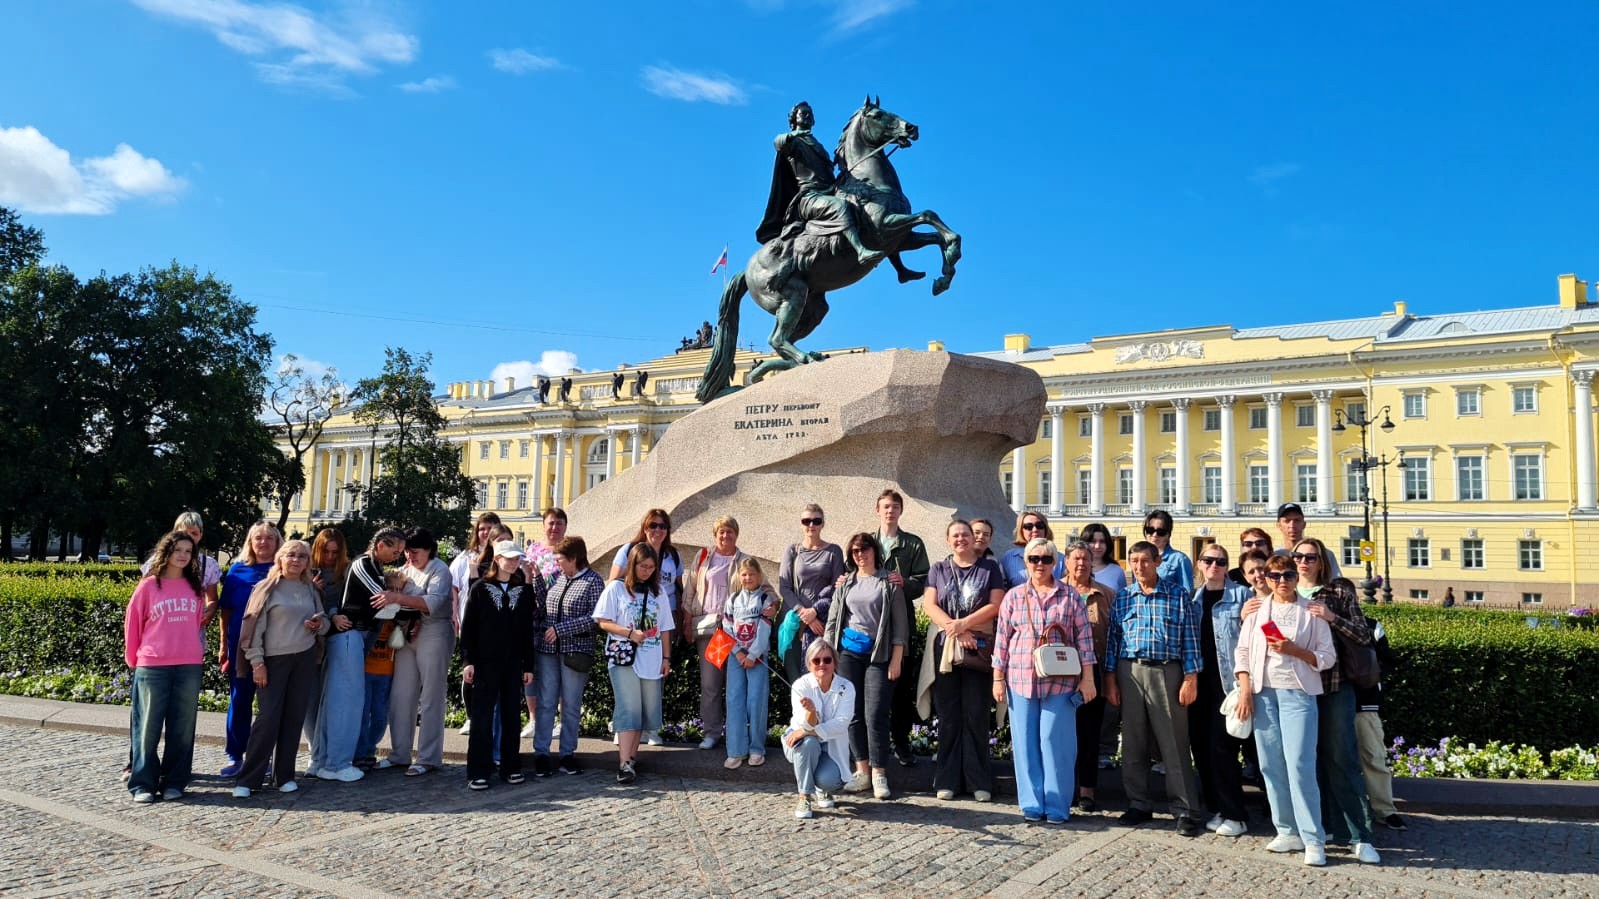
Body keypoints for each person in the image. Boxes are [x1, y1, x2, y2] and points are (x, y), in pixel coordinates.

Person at [1233, 553, 1337, 866]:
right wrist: (1246, 690)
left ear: (1296, 579)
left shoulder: (1311, 612)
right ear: (1264, 578)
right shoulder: (1256, 612)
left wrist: (1296, 651)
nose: (1281, 582)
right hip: (1264, 694)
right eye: (1274, 576)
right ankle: (1286, 829)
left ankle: (1313, 837)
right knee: (1271, 766)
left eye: (1288, 576)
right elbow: (1242, 652)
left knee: (1300, 765)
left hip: (1298, 694)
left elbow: (1327, 657)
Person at [992, 537, 1097, 823]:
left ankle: (1057, 804)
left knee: (1055, 741)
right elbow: (1002, 639)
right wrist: (997, 678)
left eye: (1046, 559)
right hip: (1020, 679)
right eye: (1034, 559)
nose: (1040, 564)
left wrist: (1088, 678)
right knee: (1025, 743)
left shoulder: (1070, 596)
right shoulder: (1013, 596)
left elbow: (1084, 640)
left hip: (1061, 680)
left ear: (1055, 562)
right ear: (1025, 562)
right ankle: (1031, 803)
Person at [1104, 540, 1205, 836]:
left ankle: (1185, 809)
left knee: (1174, 743)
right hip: (1130, 671)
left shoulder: (1177, 595)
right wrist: (1110, 678)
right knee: (1133, 743)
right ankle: (1138, 803)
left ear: (1157, 561)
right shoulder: (1124, 598)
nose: (1138, 567)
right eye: (1133, 561)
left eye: (1144, 561)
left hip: (1167, 672)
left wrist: (1190, 678)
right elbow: (1113, 641)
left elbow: (1190, 639)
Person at [1293, 537, 1381, 864]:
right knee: (1308, 760)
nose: (1303, 562)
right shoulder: (1284, 590)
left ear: (1322, 561)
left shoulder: (1339, 591)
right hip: (1297, 689)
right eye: (1298, 557)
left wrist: (1331, 617)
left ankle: (1360, 834)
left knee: (1342, 757)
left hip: (1334, 686)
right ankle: (1324, 827)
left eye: (1310, 557)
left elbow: (1362, 634)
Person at [233, 540, 328, 797]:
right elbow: (253, 629)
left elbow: (325, 622)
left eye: (302, 556)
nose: (296, 560)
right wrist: (257, 663)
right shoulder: (267, 588)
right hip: (273, 661)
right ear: (281, 558)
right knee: (268, 719)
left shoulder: (310, 589)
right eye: (291, 555)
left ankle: (284, 775)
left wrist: (319, 624)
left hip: (304, 659)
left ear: (308, 562)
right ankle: (248, 779)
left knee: (294, 717)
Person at [920, 520, 1005, 801]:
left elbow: (996, 604)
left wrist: (965, 626)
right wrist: (954, 629)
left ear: (973, 538)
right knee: (948, 717)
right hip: (947, 651)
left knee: (976, 715)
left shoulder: (989, 568)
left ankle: (979, 781)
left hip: (978, 649)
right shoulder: (939, 569)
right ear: (948, 540)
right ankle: (948, 780)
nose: (961, 539)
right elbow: (930, 604)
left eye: (966, 535)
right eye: (955, 535)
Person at [316, 528, 407, 783]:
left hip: (354, 637)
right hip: (350, 636)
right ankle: (336, 764)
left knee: (343, 700)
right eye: (394, 550)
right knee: (347, 702)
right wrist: (398, 599)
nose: (396, 556)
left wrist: (395, 600)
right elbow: (383, 602)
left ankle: (324, 760)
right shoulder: (364, 564)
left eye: (400, 552)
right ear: (379, 545)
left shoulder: (373, 566)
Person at [125, 530, 206, 803]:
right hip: (153, 664)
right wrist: (133, 659)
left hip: (188, 664)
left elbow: (195, 624)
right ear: (166, 552)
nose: (183, 556)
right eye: (178, 550)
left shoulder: (195, 587)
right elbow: (133, 623)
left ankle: (175, 781)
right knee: (147, 726)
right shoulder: (149, 586)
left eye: (188, 551)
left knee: (182, 728)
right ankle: (142, 783)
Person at [826, 532, 908, 800]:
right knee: (853, 712)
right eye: (855, 551)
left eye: (865, 549)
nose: (860, 554)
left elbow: (900, 627)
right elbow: (833, 621)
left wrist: (897, 658)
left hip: (879, 653)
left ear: (874, 551)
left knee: (876, 713)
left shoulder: (889, 583)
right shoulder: (845, 583)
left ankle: (879, 773)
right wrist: (828, 657)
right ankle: (861, 771)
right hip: (849, 653)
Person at [758, 100, 884, 265]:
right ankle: (860, 251)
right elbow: (778, 142)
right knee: (840, 207)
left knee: (863, 206)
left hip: (828, 191)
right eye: (803, 113)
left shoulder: (817, 145)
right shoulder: (794, 142)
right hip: (809, 197)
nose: (808, 116)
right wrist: (794, 134)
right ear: (794, 119)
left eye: (810, 114)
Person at [594, 543, 674, 784]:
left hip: (651, 657)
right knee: (628, 708)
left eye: (651, 567)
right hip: (624, 657)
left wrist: (667, 658)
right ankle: (624, 763)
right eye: (643, 567)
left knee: (643, 711)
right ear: (633, 564)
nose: (647, 571)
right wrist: (629, 633)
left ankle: (631, 758)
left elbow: (667, 628)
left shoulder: (658, 592)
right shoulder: (616, 588)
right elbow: (603, 621)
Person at [460, 540, 537, 790]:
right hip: (485, 663)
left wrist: (528, 665)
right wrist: (468, 661)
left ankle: (510, 765)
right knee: (482, 717)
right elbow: (469, 627)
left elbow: (527, 630)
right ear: (497, 559)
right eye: (509, 558)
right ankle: (478, 770)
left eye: (517, 558)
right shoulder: (481, 588)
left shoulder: (523, 591)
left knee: (511, 716)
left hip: (512, 663)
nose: (513, 562)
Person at [1190, 543, 1252, 837]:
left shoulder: (1241, 596)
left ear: (1228, 566)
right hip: (1198, 684)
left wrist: (1245, 686)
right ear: (1199, 564)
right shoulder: (1193, 598)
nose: (1214, 565)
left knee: (1223, 750)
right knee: (1201, 749)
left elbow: (1250, 642)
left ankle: (1235, 814)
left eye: (1220, 561)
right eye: (1208, 560)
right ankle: (1217, 807)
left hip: (1228, 685)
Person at [606, 508, 681, 746]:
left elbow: (679, 586)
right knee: (626, 679)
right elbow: (614, 581)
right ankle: (624, 726)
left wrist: (681, 618)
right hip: (628, 624)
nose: (657, 530)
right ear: (644, 527)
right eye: (653, 525)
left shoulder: (672, 556)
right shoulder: (629, 550)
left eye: (662, 526)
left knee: (653, 676)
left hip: (660, 622)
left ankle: (650, 728)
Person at [386, 527, 456, 776]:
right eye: (406, 551)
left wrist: (396, 599)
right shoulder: (404, 570)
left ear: (429, 550)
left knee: (431, 697)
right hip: (408, 633)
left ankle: (428, 757)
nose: (410, 556)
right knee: (401, 695)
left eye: (415, 551)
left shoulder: (440, 569)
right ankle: (399, 753)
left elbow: (432, 603)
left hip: (434, 631)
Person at [532, 536, 604, 777]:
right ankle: (541, 753)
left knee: (571, 705)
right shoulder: (558, 577)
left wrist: (562, 630)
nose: (557, 563)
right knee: (546, 703)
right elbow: (543, 605)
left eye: (561, 559)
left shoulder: (593, 581)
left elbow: (596, 618)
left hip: (575, 652)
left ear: (574, 559)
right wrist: (535, 578)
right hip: (548, 651)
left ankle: (567, 754)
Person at [216, 520, 282, 777]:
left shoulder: (283, 570)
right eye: (258, 538)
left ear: (277, 542)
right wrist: (223, 645)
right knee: (239, 700)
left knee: (269, 706)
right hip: (240, 645)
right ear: (250, 542)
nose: (263, 543)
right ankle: (236, 755)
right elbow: (226, 610)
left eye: (269, 538)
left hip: (274, 646)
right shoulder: (237, 570)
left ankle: (263, 757)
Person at [680, 516, 750, 751]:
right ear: (715, 534)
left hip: (736, 631)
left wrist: (769, 605)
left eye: (730, 531)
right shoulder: (703, 558)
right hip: (711, 630)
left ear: (736, 534)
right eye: (721, 532)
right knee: (710, 683)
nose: (725, 536)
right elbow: (689, 591)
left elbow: (763, 588)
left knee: (735, 685)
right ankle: (711, 732)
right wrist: (687, 621)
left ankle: (735, 733)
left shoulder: (744, 561)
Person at [872, 489, 929, 768]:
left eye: (894, 507)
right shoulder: (867, 543)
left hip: (900, 624)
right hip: (871, 626)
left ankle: (902, 744)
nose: (889, 511)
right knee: (872, 690)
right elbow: (851, 572)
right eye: (885, 507)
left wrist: (905, 582)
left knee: (901, 690)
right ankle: (874, 746)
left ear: (900, 511)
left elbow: (924, 581)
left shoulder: (913, 544)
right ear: (877, 511)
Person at [1059, 539, 1113, 812]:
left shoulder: (1105, 594)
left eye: (1085, 558)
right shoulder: (1055, 591)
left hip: (1094, 673)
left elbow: (1114, 637)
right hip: (1060, 675)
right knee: (1062, 734)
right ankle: (1064, 787)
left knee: (1089, 734)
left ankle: (1087, 790)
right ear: (1066, 562)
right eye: (1075, 558)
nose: (1081, 563)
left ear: (1092, 562)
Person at [784, 639, 856, 820]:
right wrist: (811, 712)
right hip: (800, 742)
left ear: (835, 662)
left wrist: (808, 730)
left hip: (830, 746)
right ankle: (804, 796)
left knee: (829, 781)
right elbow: (802, 726)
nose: (822, 664)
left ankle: (822, 789)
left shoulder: (846, 687)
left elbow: (842, 722)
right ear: (809, 664)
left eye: (827, 660)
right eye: (816, 661)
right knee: (808, 744)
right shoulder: (801, 686)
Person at [776, 503, 845, 682]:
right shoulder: (793, 551)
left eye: (816, 521)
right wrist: (804, 613)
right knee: (796, 682)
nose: (811, 525)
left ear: (823, 524)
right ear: (801, 524)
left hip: (821, 625)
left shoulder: (833, 551)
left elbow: (837, 589)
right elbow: (784, 587)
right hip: (793, 624)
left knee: (821, 680)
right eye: (807, 521)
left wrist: (815, 613)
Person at [450, 512, 502, 737]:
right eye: (482, 528)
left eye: (491, 528)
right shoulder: (465, 557)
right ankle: (470, 716)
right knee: (469, 671)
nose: (486, 532)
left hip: (494, 628)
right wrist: (454, 615)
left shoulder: (501, 558)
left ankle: (487, 719)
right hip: (468, 622)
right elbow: (454, 588)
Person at [723, 558, 777, 769]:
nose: (747, 578)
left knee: (756, 702)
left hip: (758, 657)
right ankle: (735, 750)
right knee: (734, 700)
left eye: (751, 574)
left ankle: (756, 749)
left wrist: (753, 654)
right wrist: (737, 653)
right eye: (744, 574)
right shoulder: (733, 598)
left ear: (759, 576)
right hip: (736, 656)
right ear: (739, 576)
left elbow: (764, 629)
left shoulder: (764, 599)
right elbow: (726, 627)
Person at [304, 528, 349, 776]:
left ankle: (327, 750)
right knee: (311, 699)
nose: (330, 557)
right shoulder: (305, 569)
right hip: (310, 641)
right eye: (326, 551)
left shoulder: (346, 571)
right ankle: (315, 751)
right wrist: (311, 588)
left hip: (336, 639)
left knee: (331, 699)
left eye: (335, 552)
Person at [520, 507, 567, 737]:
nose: (554, 527)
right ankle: (533, 718)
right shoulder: (534, 550)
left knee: (559, 671)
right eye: (551, 523)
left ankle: (560, 719)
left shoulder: (569, 550)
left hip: (561, 618)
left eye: (559, 523)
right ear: (543, 525)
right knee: (532, 669)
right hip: (536, 617)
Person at [1355, 621, 1407, 831]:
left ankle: (1384, 810)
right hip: (1328, 700)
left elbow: (1388, 661)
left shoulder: (1370, 625)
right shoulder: (1320, 620)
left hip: (1365, 701)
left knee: (1373, 756)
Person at [1275, 504, 1343, 578]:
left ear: (1304, 524)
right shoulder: (1275, 555)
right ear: (1278, 525)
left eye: (1297, 520)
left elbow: (1337, 582)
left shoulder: (1324, 554)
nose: (1292, 525)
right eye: (1287, 521)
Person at [1000, 511, 1064, 587]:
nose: (1035, 530)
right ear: (1021, 530)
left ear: (1046, 529)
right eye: (1028, 527)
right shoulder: (1009, 558)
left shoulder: (1061, 559)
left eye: (1039, 525)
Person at [1141, 510, 1192, 594]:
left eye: (1161, 532)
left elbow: (1186, 593)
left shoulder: (1179, 559)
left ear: (1168, 535)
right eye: (1150, 530)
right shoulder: (1139, 559)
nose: (1154, 535)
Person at [1079, 523, 1126, 594]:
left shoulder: (1117, 571)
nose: (1097, 546)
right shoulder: (1075, 569)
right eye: (1093, 541)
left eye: (1102, 541)